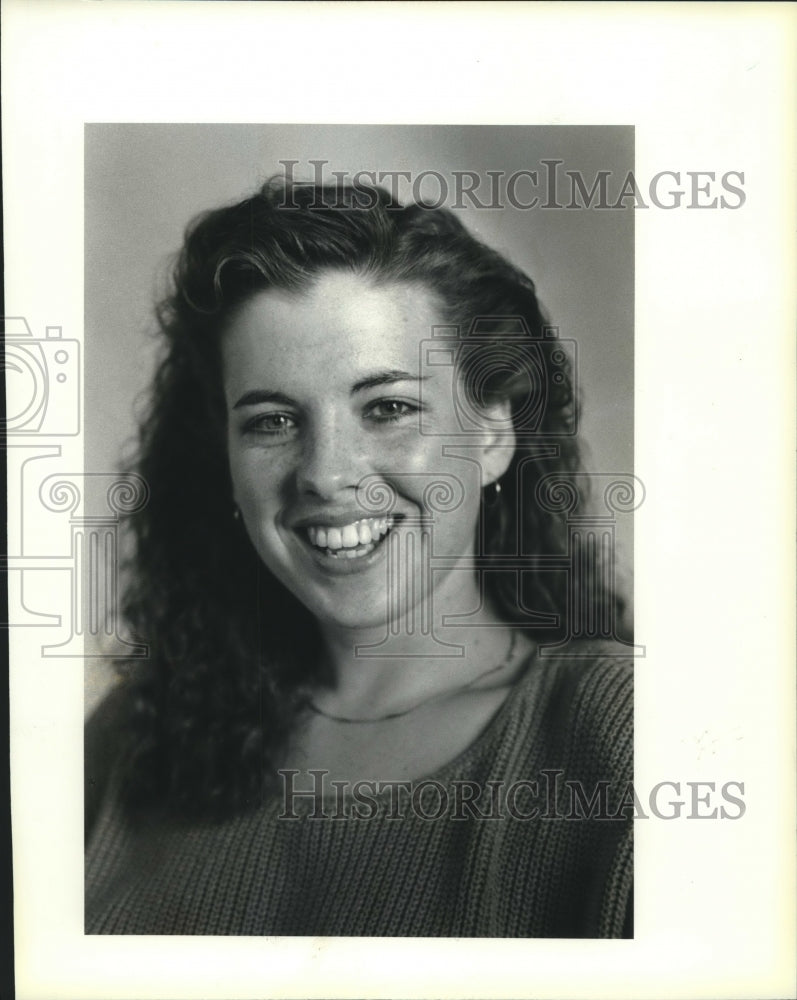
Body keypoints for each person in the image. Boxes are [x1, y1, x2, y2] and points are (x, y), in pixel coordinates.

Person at [85, 177, 633, 937]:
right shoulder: (130, 741)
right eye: (273, 421)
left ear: (492, 434)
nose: (324, 473)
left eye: (388, 408)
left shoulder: (619, 737)